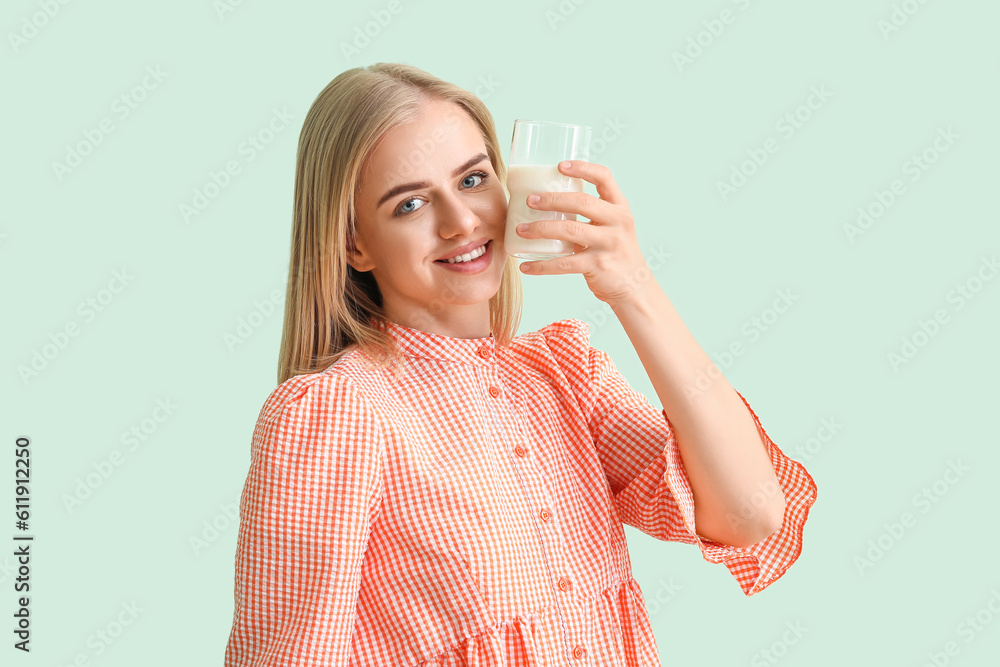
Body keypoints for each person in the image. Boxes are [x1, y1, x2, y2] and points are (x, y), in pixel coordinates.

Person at [223, 62, 818, 667]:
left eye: (474, 179)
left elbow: (749, 514)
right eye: (409, 205)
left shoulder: (564, 375)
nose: (461, 222)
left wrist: (634, 288)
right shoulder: (335, 415)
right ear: (354, 243)